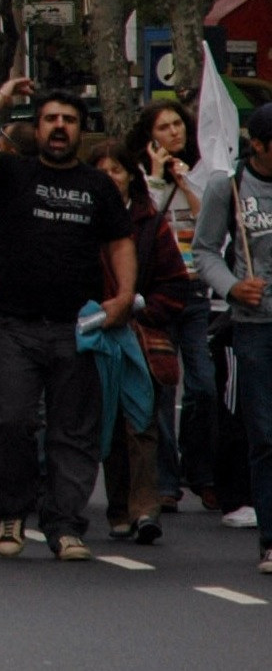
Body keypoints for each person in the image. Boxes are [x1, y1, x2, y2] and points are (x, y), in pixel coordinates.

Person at [0, 79, 135, 563]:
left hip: (78, 327)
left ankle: (66, 526)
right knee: (9, 421)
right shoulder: (12, 172)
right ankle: (11, 513)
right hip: (15, 324)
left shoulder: (98, 186)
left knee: (73, 431)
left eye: (68, 121)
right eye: (50, 118)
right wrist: (1, 99)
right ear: (36, 127)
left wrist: (124, 296)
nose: (59, 127)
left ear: (80, 131)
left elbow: (118, 243)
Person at [94, 141, 189, 545]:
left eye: (117, 169)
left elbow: (176, 284)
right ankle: (119, 509)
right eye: (102, 170)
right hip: (96, 336)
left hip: (141, 336)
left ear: (131, 175)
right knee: (110, 423)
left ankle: (145, 510)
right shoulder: (82, 223)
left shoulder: (151, 223)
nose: (110, 177)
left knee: (142, 420)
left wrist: (141, 308)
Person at [193, 104, 272, 573]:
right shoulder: (230, 188)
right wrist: (231, 286)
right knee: (264, 435)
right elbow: (204, 251)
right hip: (255, 327)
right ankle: (270, 538)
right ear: (258, 145)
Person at [129, 99, 217, 513]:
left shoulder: (202, 175)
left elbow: (210, 227)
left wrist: (185, 184)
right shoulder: (144, 183)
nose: (174, 133)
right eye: (163, 128)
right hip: (161, 295)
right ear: (151, 138)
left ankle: (197, 467)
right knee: (163, 388)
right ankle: (166, 480)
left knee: (203, 385)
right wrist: (158, 177)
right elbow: (145, 224)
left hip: (196, 292)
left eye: (178, 125)